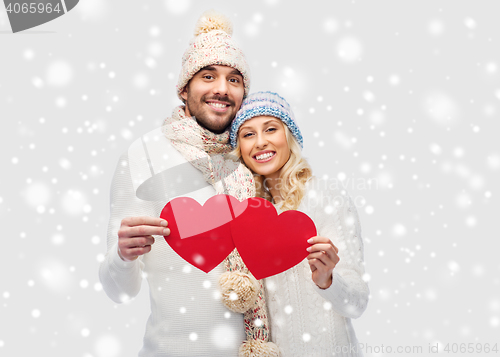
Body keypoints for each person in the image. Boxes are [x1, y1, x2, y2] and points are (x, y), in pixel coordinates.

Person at [99, 11, 278, 357]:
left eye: (234, 79)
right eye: (208, 76)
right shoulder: (144, 154)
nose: (221, 89)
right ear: (185, 88)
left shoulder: (253, 157)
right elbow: (118, 292)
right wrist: (122, 256)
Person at [229, 91, 370, 357]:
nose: (260, 142)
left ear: (289, 136)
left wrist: (328, 280)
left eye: (270, 129)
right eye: (248, 134)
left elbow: (357, 304)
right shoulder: (245, 215)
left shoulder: (326, 196)